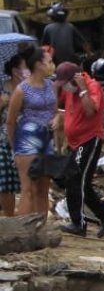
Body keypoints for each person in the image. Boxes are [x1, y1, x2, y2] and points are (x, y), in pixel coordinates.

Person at [55, 62, 104, 237]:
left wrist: (83, 89)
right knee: (81, 183)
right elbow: (62, 105)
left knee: (75, 180)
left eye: (66, 83)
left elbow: (90, 111)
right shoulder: (70, 90)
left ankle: (79, 223)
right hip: (75, 142)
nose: (65, 87)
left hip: (89, 139)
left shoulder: (92, 87)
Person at [5, 47, 60, 216]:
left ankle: (40, 229)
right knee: (28, 189)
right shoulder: (22, 89)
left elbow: (56, 110)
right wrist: (14, 145)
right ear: (38, 65)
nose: (53, 65)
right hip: (27, 139)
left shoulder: (51, 85)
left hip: (47, 138)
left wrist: (58, 118)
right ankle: (23, 233)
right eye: (49, 62)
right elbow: (10, 121)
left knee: (43, 189)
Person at [0, 55, 29, 216]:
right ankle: (10, 217)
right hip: (4, 139)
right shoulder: (3, 88)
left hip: (25, 140)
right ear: (15, 71)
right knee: (6, 182)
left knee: (27, 183)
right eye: (25, 67)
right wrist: (3, 103)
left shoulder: (29, 89)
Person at [41, 2, 90, 66]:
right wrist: (89, 53)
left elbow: (43, 47)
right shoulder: (70, 26)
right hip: (71, 62)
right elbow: (84, 44)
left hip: (56, 63)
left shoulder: (48, 28)